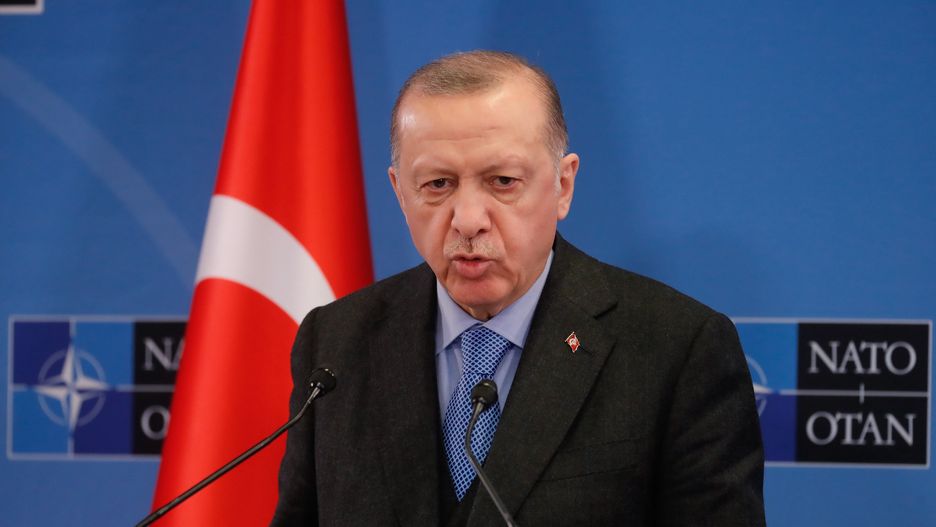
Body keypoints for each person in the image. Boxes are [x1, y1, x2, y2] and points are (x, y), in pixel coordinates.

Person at [272, 50, 765, 526]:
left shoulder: (676, 349)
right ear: (401, 193)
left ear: (563, 185)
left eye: (502, 181)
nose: (467, 220)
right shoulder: (336, 341)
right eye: (438, 184)